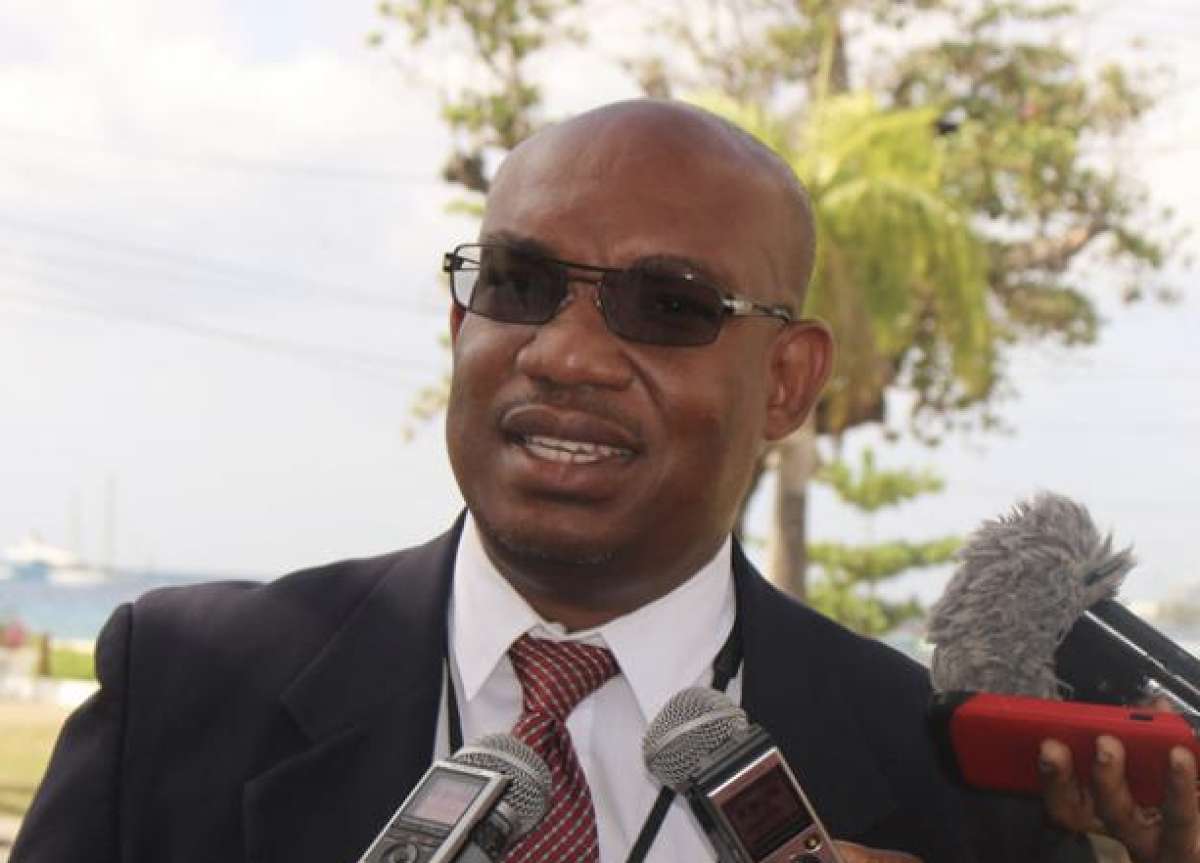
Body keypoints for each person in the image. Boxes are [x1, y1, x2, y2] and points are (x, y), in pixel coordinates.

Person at [11, 99, 1195, 863]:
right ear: (462, 322)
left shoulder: (950, 780)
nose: (565, 354)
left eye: (668, 304)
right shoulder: (181, 689)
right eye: (519, 284)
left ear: (787, 382)